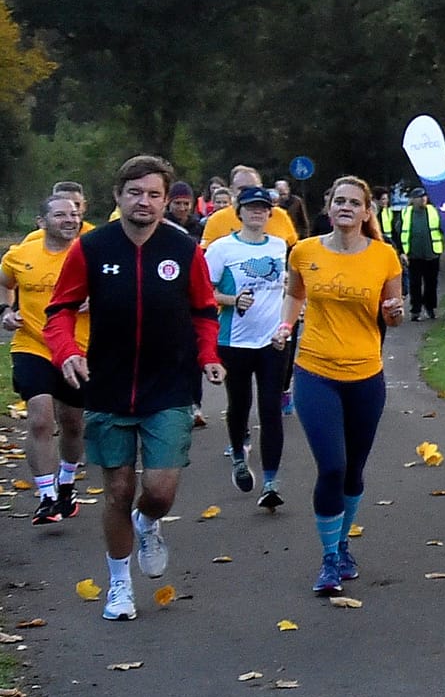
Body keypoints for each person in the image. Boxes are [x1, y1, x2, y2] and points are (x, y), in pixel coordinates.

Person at [45, 155, 224, 622]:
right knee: (117, 491)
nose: (143, 202)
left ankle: (150, 523)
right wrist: (67, 352)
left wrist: (208, 358)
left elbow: (205, 311)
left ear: (167, 201)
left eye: (153, 195)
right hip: (107, 384)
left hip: (168, 385)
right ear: (117, 197)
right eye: (135, 193)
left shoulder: (185, 250)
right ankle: (119, 585)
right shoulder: (91, 248)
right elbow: (60, 309)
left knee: (158, 492)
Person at [274, 176, 404, 596]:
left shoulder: (384, 257)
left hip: (366, 374)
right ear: (328, 208)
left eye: (354, 202)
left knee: (353, 470)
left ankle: (343, 542)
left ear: (367, 212)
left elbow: (393, 317)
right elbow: (294, 296)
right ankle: (330, 558)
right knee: (331, 466)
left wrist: (395, 312)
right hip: (315, 371)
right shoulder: (305, 251)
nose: (346, 207)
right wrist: (285, 323)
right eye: (338, 200)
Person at [2, 194, 90, 524]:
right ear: (41, 222)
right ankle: (46, 496)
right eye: (61, 215)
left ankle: (66, 482)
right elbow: (4, 283)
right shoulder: (20, 255)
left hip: (77, 348)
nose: (70, 219)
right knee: (39, 417)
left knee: (72, 422)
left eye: (74, 214)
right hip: (32, 345)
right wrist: (6, 311)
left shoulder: (90, 253)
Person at [203, 185, 291, 508]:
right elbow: (205, 294)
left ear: (270, 214)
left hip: (272, 342)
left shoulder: (280, 246)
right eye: (251, 207)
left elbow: (289, 288)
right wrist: (232, 299)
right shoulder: (222, 249)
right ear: (239, 212)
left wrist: (290, 315)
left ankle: (271, 482)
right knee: (239, 404)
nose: (257, 212)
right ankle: (239, 456)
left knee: (271, 408)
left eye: (262, 208)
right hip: (234, 341)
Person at [200, 165, 300, 248]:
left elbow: (293, 251)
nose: (248, 193)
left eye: (253, 188)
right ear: (232, 190)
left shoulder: (279, 215)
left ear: (261, 188)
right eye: (242, 189)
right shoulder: (216, 220)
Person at [392, 185, 445, 320]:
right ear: (413, 200)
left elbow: (442, 228)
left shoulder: (433, 211)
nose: (423, 199)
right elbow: (398, 234)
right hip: (413, 255)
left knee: (431, 283)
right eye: (419, 197)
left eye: (424, 197)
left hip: (432, 254)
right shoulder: (405, 213)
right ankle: (415, 310)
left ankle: (430, 308)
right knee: (415, 284)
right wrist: (401, 252)